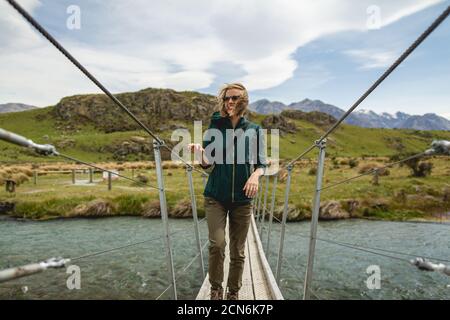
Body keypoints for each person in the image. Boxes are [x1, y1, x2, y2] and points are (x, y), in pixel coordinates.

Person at [188, 83, 267, 300]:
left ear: (244, 100)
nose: (230, 102)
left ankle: (233, 292)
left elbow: (262, 163)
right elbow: (206, 163)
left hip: (243, 199)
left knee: (239, 251)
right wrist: (199, 153)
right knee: (217, 244)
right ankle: (215, 289)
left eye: (235, 98)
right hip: (216, 197)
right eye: (227, 98)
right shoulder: (215, 127)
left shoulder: (254, 129)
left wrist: (255, 176)